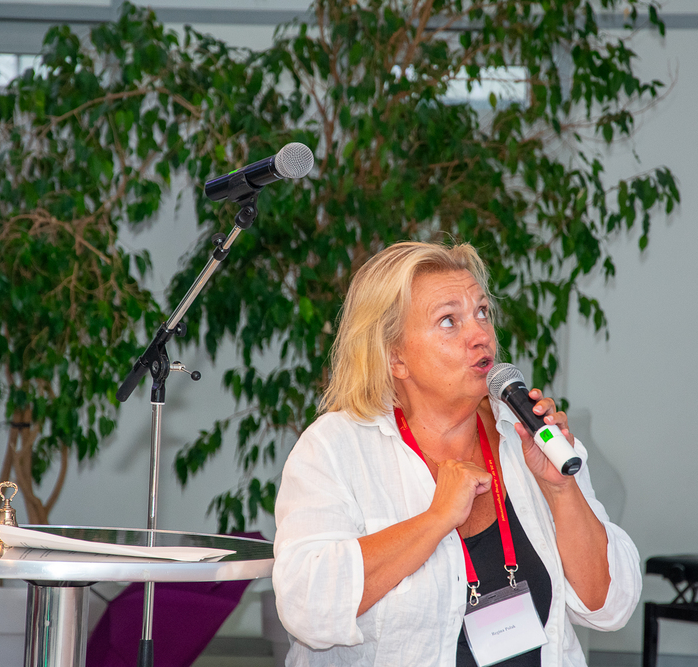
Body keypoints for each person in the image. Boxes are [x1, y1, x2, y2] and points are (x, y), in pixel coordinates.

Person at [272, 241, 641, 666]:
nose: (481, 335)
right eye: (449, 321)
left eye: (482, 312)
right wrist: (435, 519)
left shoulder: (529, 435)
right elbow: (306, 605)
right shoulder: (336, 448)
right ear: (395, 357)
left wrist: (561, 490)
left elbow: (609, 607)